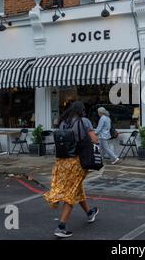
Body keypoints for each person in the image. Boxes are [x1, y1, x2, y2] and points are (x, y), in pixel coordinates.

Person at [43, 101, 100, 239]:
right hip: (77, 162)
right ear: (81, 110)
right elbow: (94, 140)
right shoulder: (84, 121)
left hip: (62, 162)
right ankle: (61, 226)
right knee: (71, 192)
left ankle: (89, 212)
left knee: (76, 187)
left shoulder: (63, 122)